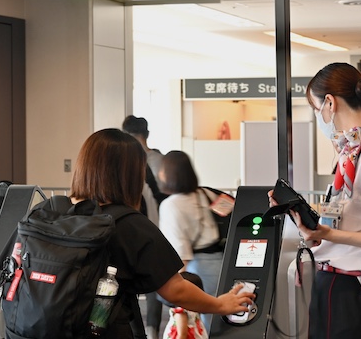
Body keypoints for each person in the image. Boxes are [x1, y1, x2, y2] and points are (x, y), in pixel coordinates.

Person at [69, 129, 252, 339]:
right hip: (105, 328)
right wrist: (220, 304)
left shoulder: (48, 212)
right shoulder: (131, 224)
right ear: (128, 176)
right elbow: (175, 289)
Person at [270, 62, 361, 337]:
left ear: (329, 103)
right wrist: (315, 227)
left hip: (353, 285)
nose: (318, 116)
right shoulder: (349, 150)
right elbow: (351, 215)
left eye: (316, 109)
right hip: (333, 278)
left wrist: (330, 234)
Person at [158, 150, 226, 329]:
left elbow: (179, 253)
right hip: (222, 263)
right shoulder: (206, 193)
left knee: (202, 325)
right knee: (223, 319)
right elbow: (231, 210)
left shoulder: (170, 205)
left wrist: (178, 291)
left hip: (198, 270)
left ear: (170, 174)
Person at [122, 115, 167, 338]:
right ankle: (152, 329)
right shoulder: (160, 160)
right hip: (160, 227)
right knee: (156, 279)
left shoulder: (127, 162)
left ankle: (143, 330)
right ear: (146, 134)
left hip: (138, 229)